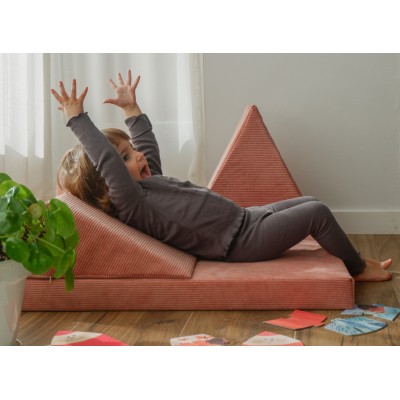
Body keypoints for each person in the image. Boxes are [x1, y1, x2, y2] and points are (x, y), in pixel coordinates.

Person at [51, 70, 393, 282]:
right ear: (109, 187)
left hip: (245, 219)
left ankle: (348, 257)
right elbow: (107, 162)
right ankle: (358, 268)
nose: (138, 156)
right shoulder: (133, 205)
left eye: (130, 150)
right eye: (126, 157)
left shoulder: (149, 184)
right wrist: (78, 119)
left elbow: (147, 147)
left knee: (310, 202)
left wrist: (132, 111)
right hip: (240, 244)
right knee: (317, 213)